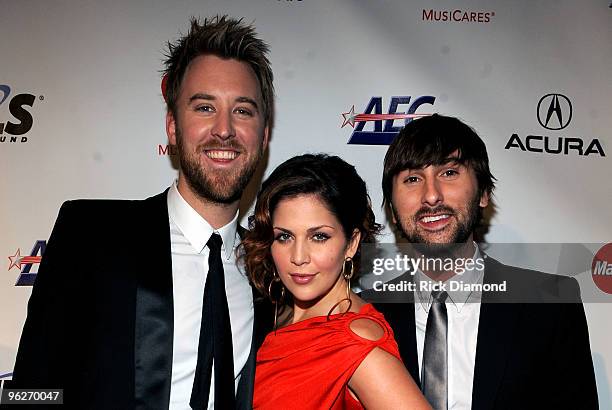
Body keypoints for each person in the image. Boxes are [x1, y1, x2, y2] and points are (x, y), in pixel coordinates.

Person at [7, 16, 274, 410]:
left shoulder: (273, 267)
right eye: (204, 107)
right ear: (172, 126)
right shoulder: (91, 235)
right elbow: (31, 391)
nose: (224, 129)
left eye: (243, 111)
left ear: (264, 134)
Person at [361, 114, 598, 409]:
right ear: (393, 210)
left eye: (449, 173)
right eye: (412, 179)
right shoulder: (364, 316)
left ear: (484, 193)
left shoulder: (550, 304)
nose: (431, 195)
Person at [241, 154, 431, 409]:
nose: (298, 257)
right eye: (284, 237)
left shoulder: (355, 341)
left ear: (351, 243)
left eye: (319, 237)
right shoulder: (266, 312)